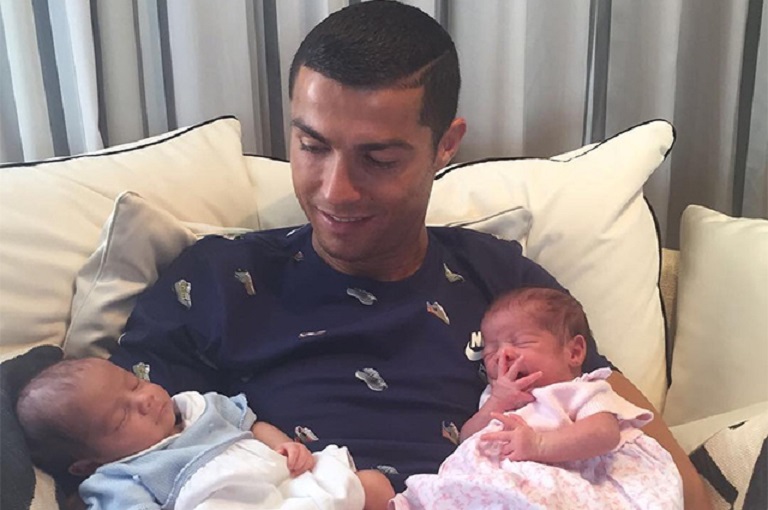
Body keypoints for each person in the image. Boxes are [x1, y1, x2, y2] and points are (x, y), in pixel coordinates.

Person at [108, 1, 709, 507]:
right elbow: (119, 464)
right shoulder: (214, 281)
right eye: (312, 146)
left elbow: (643, 451)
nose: (335, 191)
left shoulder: (507, 284)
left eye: (379, 159)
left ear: (445, 144)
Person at [390, 288, 683, 509]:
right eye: (491, 350)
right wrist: (496, 403)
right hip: (497, 484)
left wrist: (539, 444)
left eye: (521, 342)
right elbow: (467, 438)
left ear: (574, 352)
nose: (503, 354)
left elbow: (603, 434)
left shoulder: (582, 389)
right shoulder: (496, 397)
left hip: (571, 476)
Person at [16, 357, 393, 509]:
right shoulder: (122, 476)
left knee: (374, 485)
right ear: (88, 464)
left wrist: (285, 446)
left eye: (134, 384)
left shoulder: (200, 405)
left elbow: (253, 425)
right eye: (120, 418)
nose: (145, 400)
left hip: (289, 484)